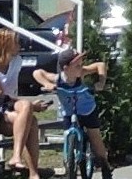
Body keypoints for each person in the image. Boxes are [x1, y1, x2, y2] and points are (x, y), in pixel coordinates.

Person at [0, 28, 48, 179]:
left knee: (28, 114)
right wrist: (32, 106)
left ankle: (30, 170)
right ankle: (23, 164)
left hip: (8, 107)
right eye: (16, 42)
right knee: (30, 119)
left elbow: (11, 96)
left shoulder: (16, 62)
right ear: (5, 44)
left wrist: (27, 105)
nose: (19, 45)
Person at [33, 49, 111, 179]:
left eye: (81, 64)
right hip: (69, 112)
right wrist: (46, 83)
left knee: (95, 137)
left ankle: (105, 166)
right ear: (66, 68)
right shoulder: (58, 79)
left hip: (87, 110)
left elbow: (100, 65)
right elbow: (37, 72)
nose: (81, 67)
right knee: (67, 133)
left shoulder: (81, 73)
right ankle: (69, 160)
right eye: (77, 65)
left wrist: (100, 82)